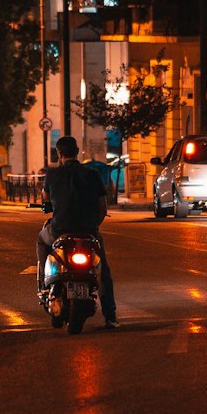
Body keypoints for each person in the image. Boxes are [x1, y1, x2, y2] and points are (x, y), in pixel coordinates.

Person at [37, 133, 117, 325]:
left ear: (59, 154)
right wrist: (93, 227)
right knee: (102, 271)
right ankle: (111, 316)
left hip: (59, 230)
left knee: (41, 240)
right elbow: (102, 207)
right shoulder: (93, 174)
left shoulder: (52, 174)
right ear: (77, 152)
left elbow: (46, 199)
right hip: (88, 231)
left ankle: (44, 284)